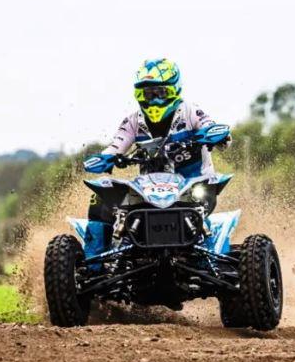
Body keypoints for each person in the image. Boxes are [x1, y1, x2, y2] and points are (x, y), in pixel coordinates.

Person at [81, 58, 229, 246]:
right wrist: (106, 158)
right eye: (148, 95)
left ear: (175, 90)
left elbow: (215, 131)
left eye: (161, 93)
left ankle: (210, 257)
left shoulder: (191, 112)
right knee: (100, 194)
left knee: (200, 214)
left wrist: (218, 136)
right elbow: (115, 146)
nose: (154, 100)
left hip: (194, 184)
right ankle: (94, 264)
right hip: (148, 192)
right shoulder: (133, 121)